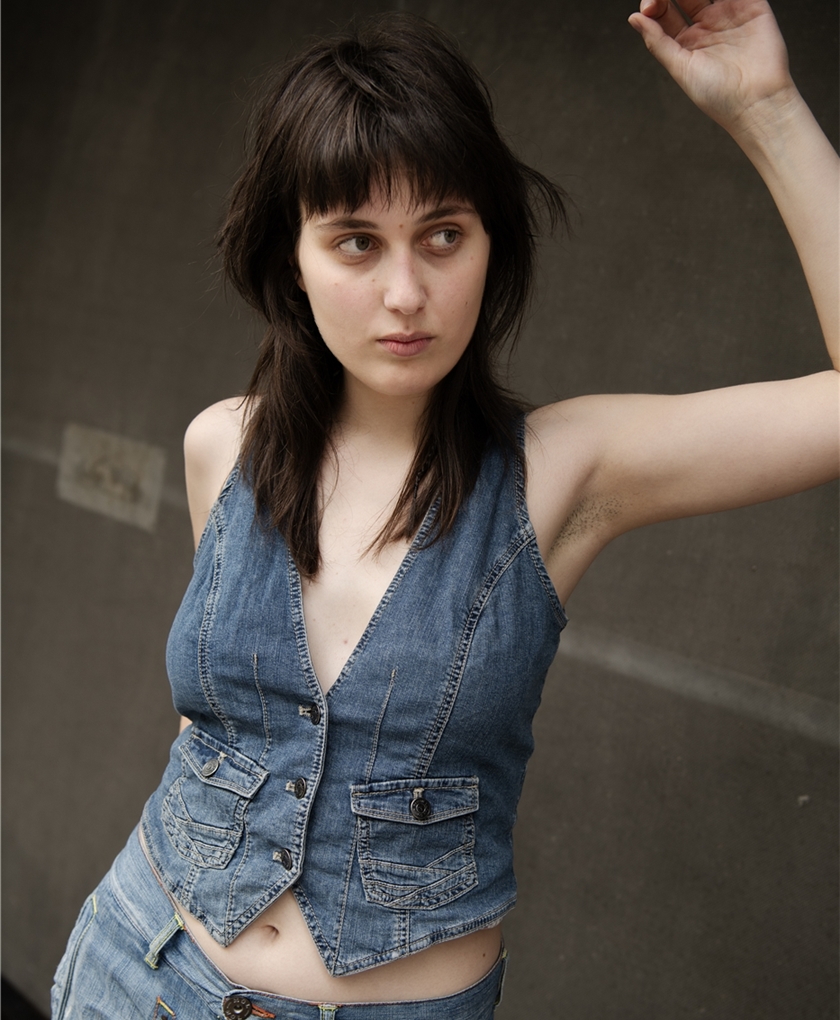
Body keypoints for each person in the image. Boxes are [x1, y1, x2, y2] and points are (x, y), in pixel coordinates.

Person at [51, 1, 838, 1017]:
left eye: (443, 236)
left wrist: (767, 108)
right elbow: (227, 735)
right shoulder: (224, 445)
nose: (406, 293)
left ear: (490, 246)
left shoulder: (563, 470)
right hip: (136, 965)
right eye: (356, 242)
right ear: (293, 257)